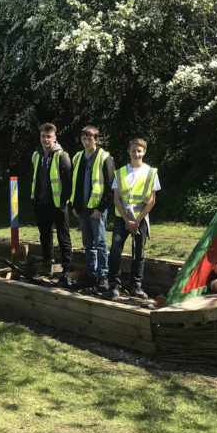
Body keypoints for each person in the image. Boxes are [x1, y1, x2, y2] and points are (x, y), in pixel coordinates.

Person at [107, 138, 160, 301]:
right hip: (121, 218)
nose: (136, 153)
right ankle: (114, 285)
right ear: (129, 151)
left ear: (144, 152)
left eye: (139, 150)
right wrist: (127, 220)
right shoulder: (120, 172)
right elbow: (116, 199)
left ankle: (136, 285)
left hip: (140, 219)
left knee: (139, 253)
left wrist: (137, 220)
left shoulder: (151, 173)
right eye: (133, 150)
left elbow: (152, 200)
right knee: (115, 250)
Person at [70, 125, 114, 291]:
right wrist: (74, 206)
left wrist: (101, 209)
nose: (87, 141)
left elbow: (110, 186)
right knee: (88, 243)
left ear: (97, 140)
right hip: (82, 209)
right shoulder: (77, 157)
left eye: (90, 138)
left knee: (100, 243)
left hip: (97, 210)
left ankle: (103, 276)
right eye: (84, 138)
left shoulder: (105, 158)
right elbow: (74, 183)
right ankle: (92, 274)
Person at [30, 123, 73, 286]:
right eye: (43, 136)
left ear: (55, 137)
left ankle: (66, 271)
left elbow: (68, 182)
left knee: (63, 236)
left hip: (58, 204)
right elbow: (34, 178)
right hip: (41, 203)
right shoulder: (36, 156)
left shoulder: (62, 156)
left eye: (49, 136)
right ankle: (47, 265)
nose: (46, 139)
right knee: (45, 235)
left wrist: (64, 201)